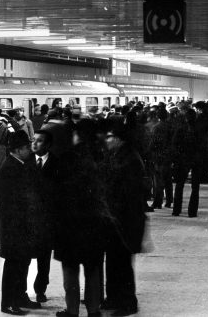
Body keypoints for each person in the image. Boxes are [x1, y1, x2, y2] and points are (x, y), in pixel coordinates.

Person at [54, 119, 108, 317]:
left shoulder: (67, 157)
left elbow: (59, 193)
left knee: (70, 271)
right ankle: (94, 310)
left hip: (70, 225)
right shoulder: (101, 156)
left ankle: (72, 310)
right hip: (94, 225)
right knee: (93, 271)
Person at [102, 118, 146, 316]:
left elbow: (129, 194)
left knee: (122, 264)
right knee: (113, 262)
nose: (107, 140)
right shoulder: (118, 155)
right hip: (115, 220)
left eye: (110, 137)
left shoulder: (129, 160)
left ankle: (128, 303)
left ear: (120, 139)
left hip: (125, 221)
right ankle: (112, 298)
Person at [0, 131, 41, 316]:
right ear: (17, 149)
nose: (29, 150)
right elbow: (9, 199)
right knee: (13, 264)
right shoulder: (9, 168)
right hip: (14, 225)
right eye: (26, 147)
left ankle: (20, 296)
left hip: (22, 224)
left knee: (23, 262)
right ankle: (8, 302)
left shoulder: (20, 165)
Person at [30, 130, 59, 304]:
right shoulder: (25, 162)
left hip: (47, 218)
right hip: (30, 216)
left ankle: (40, 288)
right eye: (33, 140)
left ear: (48, 145)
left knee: (43, 256)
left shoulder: (56, 163)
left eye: (39, 141)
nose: (34, 144)